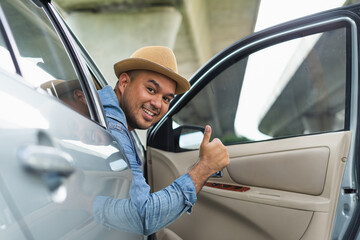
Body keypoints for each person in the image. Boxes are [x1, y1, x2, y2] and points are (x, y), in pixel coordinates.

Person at [92, 46, 230, 236]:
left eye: (166, 98)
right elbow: (143, 216)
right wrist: (204, 167)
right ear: (124, 82)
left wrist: (90, 203)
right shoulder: (113, 126)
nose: (158, 104)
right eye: (151, 89)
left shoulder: (109, 117)